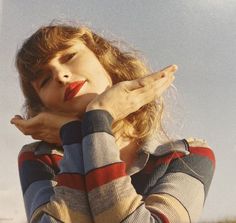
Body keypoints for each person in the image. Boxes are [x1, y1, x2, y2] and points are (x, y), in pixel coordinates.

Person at [11, 23, 215, 223]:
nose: (60, 76)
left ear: (105, 61)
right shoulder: (39, 158)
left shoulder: (189, 156)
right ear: (43, 106)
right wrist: (76, 133)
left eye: (69, 56)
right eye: (44, 80)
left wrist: (99, 116)